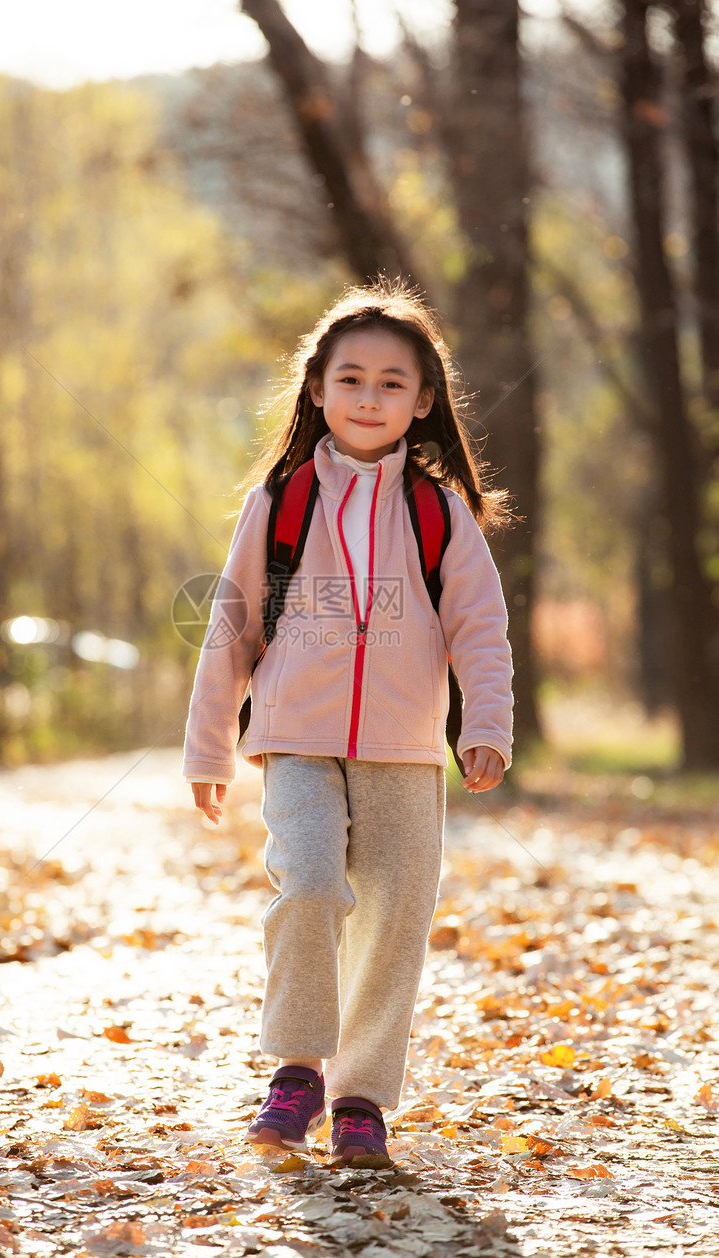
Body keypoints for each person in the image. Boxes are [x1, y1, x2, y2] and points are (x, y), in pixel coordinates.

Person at [183, 279, 513, 1165]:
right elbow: (232, 624)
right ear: (318, 391)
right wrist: (208, 742)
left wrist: (487, 720)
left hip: (406, 747)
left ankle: (363, 1095)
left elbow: (480, 626)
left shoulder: (438, 511)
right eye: (351, 380)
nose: (370, 399)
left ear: (425, 399)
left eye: (391, 383)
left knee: (398, 911)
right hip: (296, 738)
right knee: (315, 887)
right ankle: (298, 1071)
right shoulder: (283, 500)